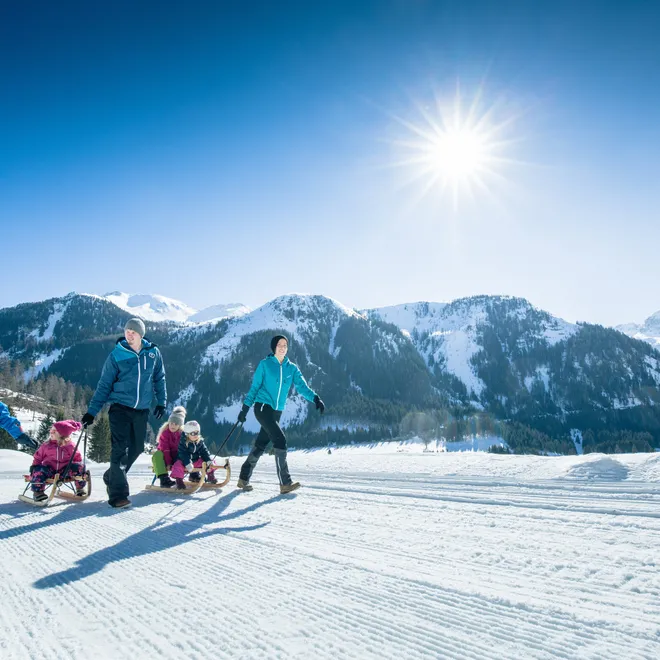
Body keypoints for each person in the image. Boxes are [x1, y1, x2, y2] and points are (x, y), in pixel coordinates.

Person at [82, 318, 167, 508]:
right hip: (119, 408)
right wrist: (91, 412)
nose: (129, 334)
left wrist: (161, 402)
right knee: (119, 450)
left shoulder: (153, 353)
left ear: (141, 334)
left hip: (141, 410)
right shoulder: (116, 355)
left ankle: (112, 475)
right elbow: (104, 385)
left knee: (136, 448)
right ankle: (117, 494)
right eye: (127, 330)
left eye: (133, 331)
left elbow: (159, 378)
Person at [236, 335, 325, 494]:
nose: (283, 347)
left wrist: (316, 398)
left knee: (261, 444)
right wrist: (244, 409)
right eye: (279, 345)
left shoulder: (292, 368)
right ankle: (285, 483)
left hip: (277, 411)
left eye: (285, 345)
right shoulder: (265, 365)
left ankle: (243, 478)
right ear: (274, 347)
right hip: (262, 407)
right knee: (280, 440)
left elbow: (302, 387)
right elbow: (254, 388)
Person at [29, 420, 86, 501]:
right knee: (39, 469)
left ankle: (80, 488)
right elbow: (38, 457)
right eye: (51, 430)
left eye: (54, 431)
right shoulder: (46, 445)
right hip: (49, 471)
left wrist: (78, 468)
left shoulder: (70, 446)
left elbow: (77, 457)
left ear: (62, 434)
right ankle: (38, 493)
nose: (51, 432)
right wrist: (34, 466)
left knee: (79, 467)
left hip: (65, 472)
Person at [170, 420, 218, 489]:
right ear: (187, 434)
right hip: (184, 463)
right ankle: (179, 481)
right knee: (177, 465)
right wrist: (188, 463)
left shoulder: (200, 441)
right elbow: (183, 454)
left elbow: (204, 452)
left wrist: (208, 460)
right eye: (193, 433)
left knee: (210, 461)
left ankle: (210, 475)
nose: (196, 435)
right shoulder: (183, 442)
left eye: (197, 433)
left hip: (195, 461)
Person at [152, 406, 186, 488]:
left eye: (176, 424)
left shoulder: (182, 435)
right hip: (164, 459)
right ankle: (164, 479)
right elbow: (165, 450)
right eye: (171, 423)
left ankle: (194, 475)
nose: (173, 426)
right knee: (157, 454)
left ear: (180, 425)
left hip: (177, 459)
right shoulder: (165, 434)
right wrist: (168, 463)